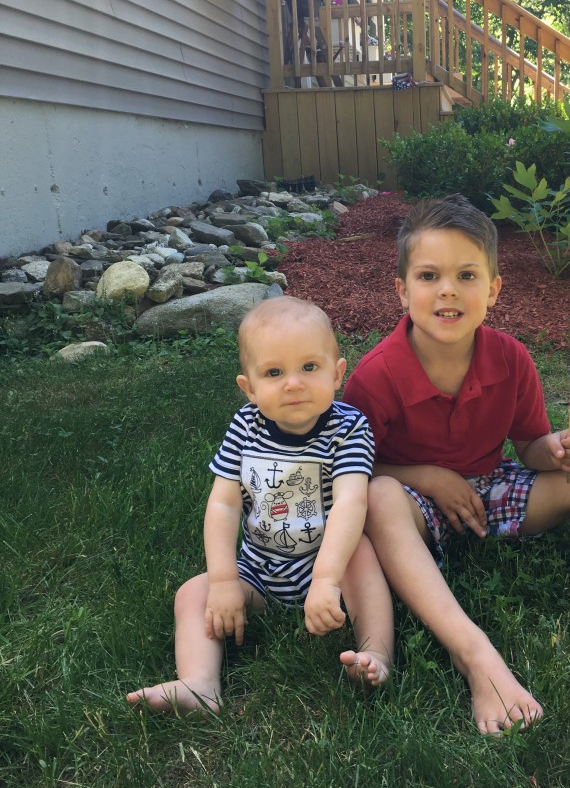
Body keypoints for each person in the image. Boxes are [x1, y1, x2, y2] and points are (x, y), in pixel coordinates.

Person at [343, 195, 570, 735]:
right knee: (378, 497)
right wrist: (428, 477)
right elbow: (352, 474)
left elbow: (529, 448)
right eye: (429, 275)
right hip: (408, 510)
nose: (447, 289)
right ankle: (473, 652)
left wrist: (558, 451)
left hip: (491, 490)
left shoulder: (510, 358)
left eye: (467, 274)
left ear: (494, 290)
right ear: (402, 290)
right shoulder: (376, 377)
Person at [128, 296, 393, 714]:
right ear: (248, 389)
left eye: (310, 367)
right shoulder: (244, 427)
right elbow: (224, 506)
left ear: (337, 373)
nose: (293, 383)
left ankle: (375, 654)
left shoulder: (348, 427)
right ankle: (199, 683)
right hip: (259, 567)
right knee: (192, 593)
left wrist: (326, 579)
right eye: (274, 372)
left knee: (363, 556)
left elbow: (350, 501)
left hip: (330, 560)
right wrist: (223, 581)